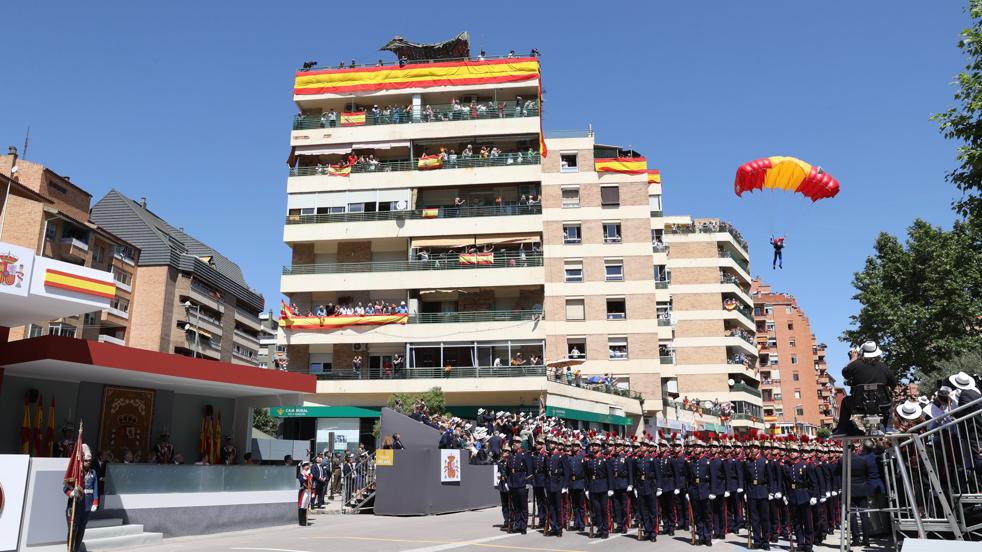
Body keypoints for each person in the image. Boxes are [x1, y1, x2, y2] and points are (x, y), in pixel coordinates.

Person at [833, 341, 898, 436]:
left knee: (845, 401)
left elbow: (844, 373)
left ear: (862, 352)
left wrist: (853, 358)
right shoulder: (883, 367)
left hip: (858, 405)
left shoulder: (855, 365)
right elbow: (894, 384)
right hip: (882, 406)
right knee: (890, 399)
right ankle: (888, 427)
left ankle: (842, 429)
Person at [64, 444, 98, 552]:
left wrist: (95, 502)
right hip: (76, 506)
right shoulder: (76, 473)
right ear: (82, 461)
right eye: (86, 461)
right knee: (73, 529)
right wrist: (71, 493)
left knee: (81, 529)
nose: (88, 462)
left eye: (90, 461)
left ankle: (76, 549)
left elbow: (95, 489)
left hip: (87, 506)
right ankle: (70, 549)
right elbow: (65, 488)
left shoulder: (93, 473)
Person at [297, 460, 313, 526]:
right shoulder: (301, 474)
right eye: (306, 465)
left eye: (307, 465)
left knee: (306, 506)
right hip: (304, 491)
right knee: (302, 506)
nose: (307, 467)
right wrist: (306, 475)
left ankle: (305, 520)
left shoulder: (309, 474)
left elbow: (311, 483)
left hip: (309, 491)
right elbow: (301, 481)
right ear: (303, 467)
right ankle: (301, 521)